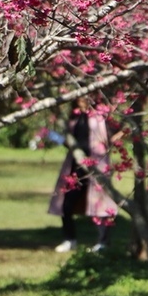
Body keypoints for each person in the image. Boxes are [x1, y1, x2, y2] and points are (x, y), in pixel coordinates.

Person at [47, 95, 120, 253]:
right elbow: (70, 141)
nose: (84, 100)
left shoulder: (100, 116)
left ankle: (103, 242)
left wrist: (111, 144)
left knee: (101, 204)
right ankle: (69, 239)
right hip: (76, 165)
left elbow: (118, 130)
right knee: (66, 202)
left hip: (97, 164)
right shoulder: (73, 118)